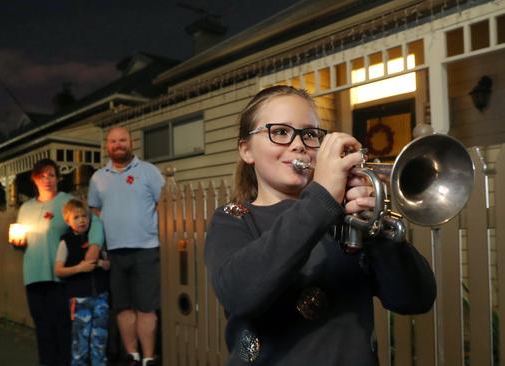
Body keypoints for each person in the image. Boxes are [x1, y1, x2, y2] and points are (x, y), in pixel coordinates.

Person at [204, 85, 436, 365]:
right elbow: (240, 294)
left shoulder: (345, 218)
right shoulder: (233, 218)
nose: (299, 144)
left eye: (310, 134)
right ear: (246, 150)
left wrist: (375, 228)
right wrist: (322, 197)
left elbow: (415, 299)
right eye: (279, 132)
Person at [10, 159, 103, 366]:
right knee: (42, 329)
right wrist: (16, 243)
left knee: (63, 328)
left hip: (60, 277)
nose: (47, 180)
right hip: (33, 277)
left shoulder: (67, 202)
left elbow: (94, 221)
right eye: (42, 176)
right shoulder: (25, 208)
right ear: (35, 179)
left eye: (51, 175)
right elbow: (20, 240)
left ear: (58, 178)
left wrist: (95, 245)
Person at [87, 127, 165, 366]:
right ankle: (132, 355)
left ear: (131, 143)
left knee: (146, 307)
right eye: (112, 141)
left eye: (122, 140)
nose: (118, 144)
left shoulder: (148, 172)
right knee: (122, 307)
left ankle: (149, 358)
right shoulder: (98, 178)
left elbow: (164, 203)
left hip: (147, 248)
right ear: (107, 146)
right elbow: (95, 209)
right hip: (115, 252)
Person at [55, 199, 110, 366]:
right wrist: (79, 268)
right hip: (79, 300)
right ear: (68, 220)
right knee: (80, 343)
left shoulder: (97, 239)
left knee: (99, 341)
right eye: (76, 217)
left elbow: (108, 264)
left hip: (101, 297)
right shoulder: (66, 241)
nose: (82, 220)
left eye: (84, 216)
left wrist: (100, 263)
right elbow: (58, 270)